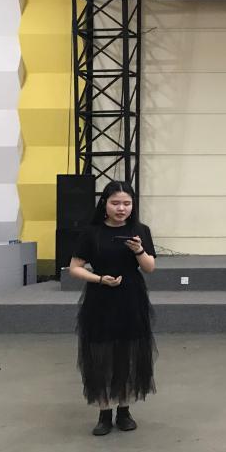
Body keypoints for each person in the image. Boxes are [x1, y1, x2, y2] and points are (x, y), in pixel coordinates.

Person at [68, 180, 157, 436]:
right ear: (104, 204)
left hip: (131, 298)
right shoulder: (92, 233)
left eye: (127, 203)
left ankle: (124, 410)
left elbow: (149, 267)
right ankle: (104, 413)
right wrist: (99, 279)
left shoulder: (140, 230)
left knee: (128, 352)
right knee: (101, 354)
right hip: (100, 298)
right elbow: (74, 268)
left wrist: (139, 250)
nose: (121, 208)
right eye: (115, 203)